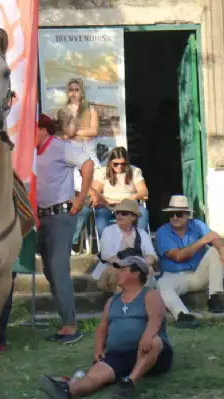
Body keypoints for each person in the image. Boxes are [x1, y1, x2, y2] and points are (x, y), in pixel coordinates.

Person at [39, 256, 173, 399]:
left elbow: (156, 317)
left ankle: (129, 383)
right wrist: (98, 350)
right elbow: (102, 328)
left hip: (152, 353)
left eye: (122, 269)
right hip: (119, 355)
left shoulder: (150, 294)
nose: (117, 273)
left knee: (154, 341)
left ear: (135, 273)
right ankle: (68, 390)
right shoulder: (113, 301)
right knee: (95, 375)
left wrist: (147, 336)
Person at [36, 114, 94, 344]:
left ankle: (71, 326)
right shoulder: (28, 153)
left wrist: (81, 198)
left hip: (60, 215)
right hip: (40, 218)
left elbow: (88, 164)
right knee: (50, 272)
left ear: (43, 129)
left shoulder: (60, 147)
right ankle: (66, 323)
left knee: (58, 270)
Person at [155, 195, 224, 328]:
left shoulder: (197, 224)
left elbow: (215, 237)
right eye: (171, 214)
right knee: (162, 284)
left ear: (188, 215)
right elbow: (178, 256)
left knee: (216, 251)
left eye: (179, 214)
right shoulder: (162, 232)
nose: (174, 217)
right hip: (174, 276)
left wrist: (222, 249)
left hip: (198, 274)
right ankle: (182, 315)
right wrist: (203, 241)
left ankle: (214, 297)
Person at [55, 78, 99, 247]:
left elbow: (94, 131)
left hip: (89, 152)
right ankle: (71, 241)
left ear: (82, 91)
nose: (73, 93)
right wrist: (73, 113)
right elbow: (68, 131)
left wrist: (76, 133)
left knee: (93, 194)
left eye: (76, 89)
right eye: (71, 89)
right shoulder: (64, 110)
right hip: (73, 154)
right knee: (80, 197)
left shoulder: (91, 109)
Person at [92, 200, 157, 293]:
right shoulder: (108, 231)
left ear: (133, 217)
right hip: (112, 269)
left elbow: (151, 254)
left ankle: (142, 300)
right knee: (121, 274)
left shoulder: (142, 233)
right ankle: (123, 304)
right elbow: (107, 256)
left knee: (149, 270)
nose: (119, 216)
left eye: (124, 213)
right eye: (117, 212)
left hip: (135, 269)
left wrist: (143, 265)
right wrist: (128, 267)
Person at [90, 147, 150, 237]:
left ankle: (138, 242)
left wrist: (132, 197)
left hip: (129, 206)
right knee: (101, 220)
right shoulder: (102, 172)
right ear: (110, 162)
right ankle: (107, 246)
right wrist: (107, 200)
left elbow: (144, 192)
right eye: (116, 164)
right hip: (108, 206)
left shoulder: (134, 171)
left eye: (123, 164)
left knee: (143, 212)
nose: (120, 166)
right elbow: (94, 192)